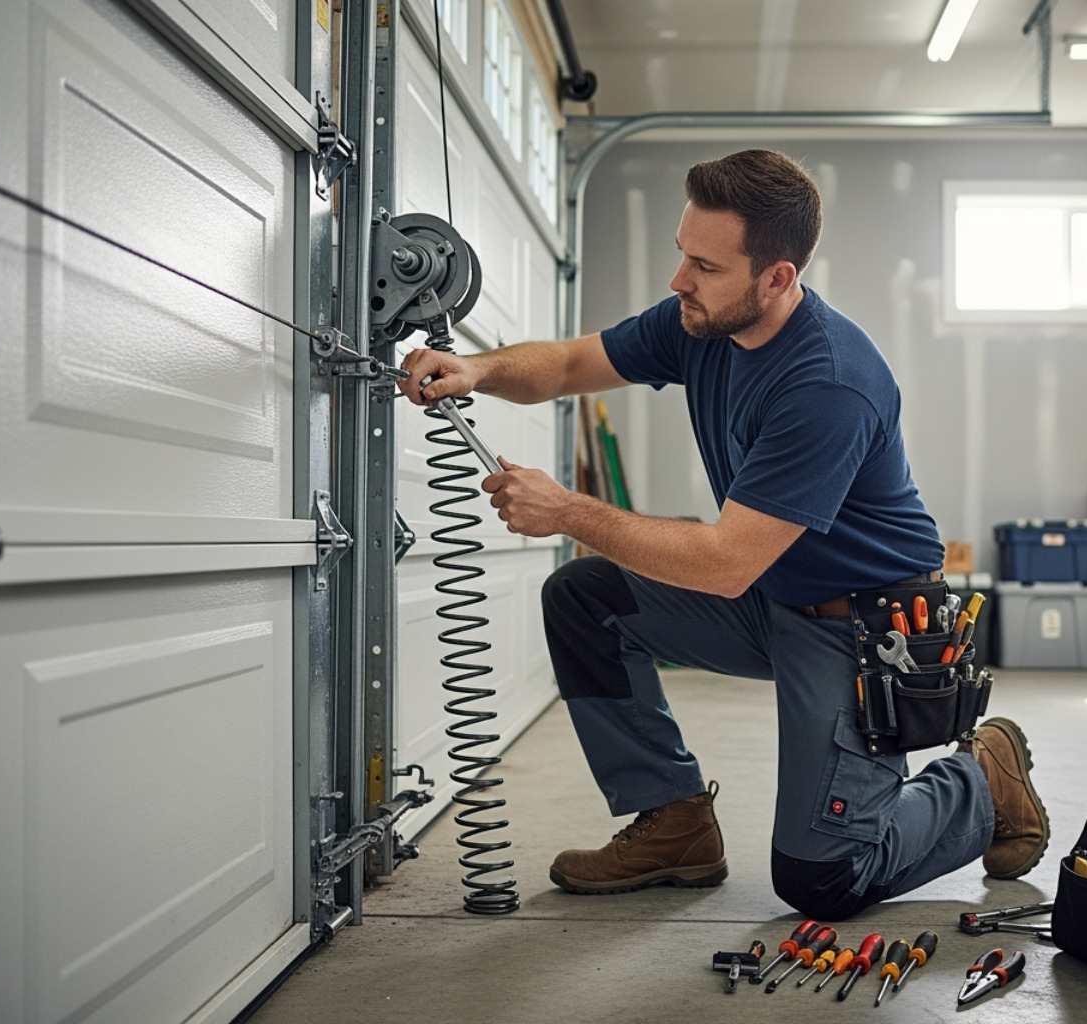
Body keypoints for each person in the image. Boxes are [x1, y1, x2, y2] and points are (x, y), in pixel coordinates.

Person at [398, 149, 1049, 919]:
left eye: (704, 265)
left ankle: (983, 779)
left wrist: (569, 511)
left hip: (865, 633)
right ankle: (674, 822)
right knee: (587, 597)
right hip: (771, 597)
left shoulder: (827, 383)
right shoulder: (699, 323)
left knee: (826, 879)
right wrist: (476, 369)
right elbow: (571, 364)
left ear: (777, 278)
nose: (680, 279)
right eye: (682, 253)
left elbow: (725, 563)